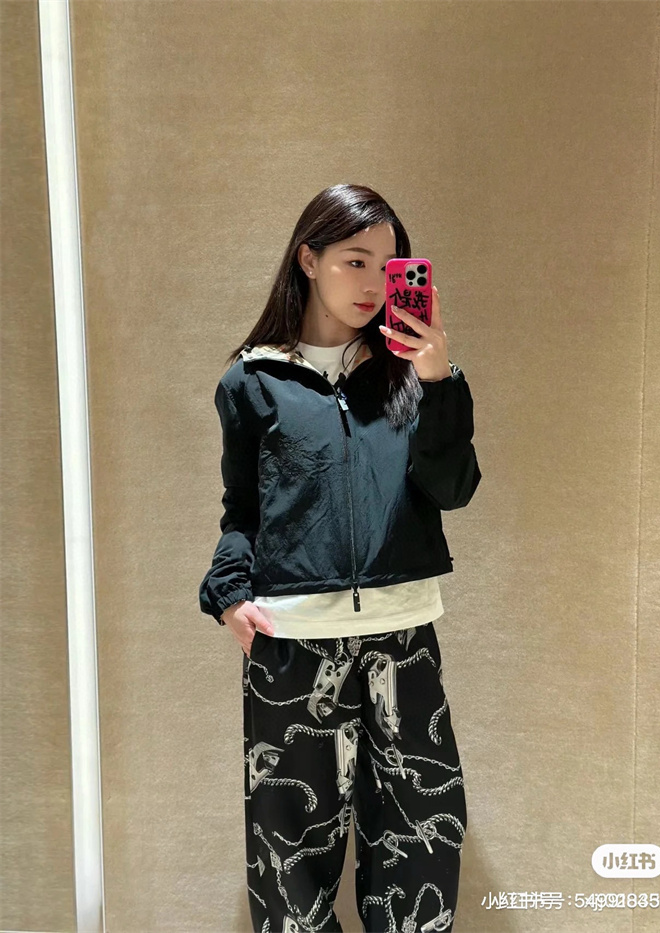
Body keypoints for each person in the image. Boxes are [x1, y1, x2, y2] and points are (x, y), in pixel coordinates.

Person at [199, 183, 481, 933]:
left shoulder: (413, 373)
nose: (371, 283)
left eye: (388, 266)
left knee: (423, 841)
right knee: (288, 857)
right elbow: (242, 512)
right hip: (294, 645)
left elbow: (454, 489)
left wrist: (438, 381)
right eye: (354, 261)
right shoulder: (252, 381)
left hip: (403, 637)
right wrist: (229, 593)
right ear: (308, 260)